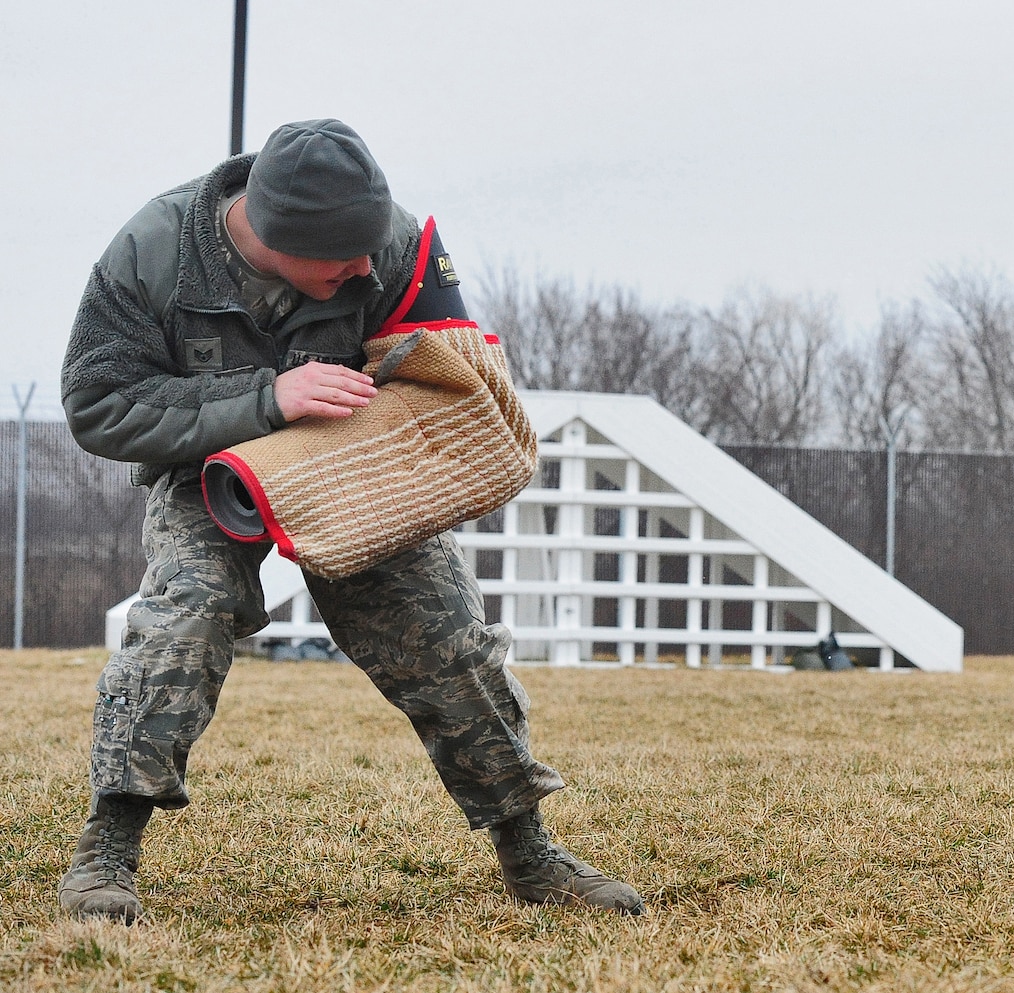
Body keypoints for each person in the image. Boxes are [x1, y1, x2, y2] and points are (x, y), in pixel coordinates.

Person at [58, 119, 644, 922]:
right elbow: (97, 403)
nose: (368, 265)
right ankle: (107, 850)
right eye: (345, 255)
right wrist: (265, 400)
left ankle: (529, 849)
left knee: (446, 632)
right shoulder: (154, 252)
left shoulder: (396, 241)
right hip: (207, 468)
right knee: (183, 615)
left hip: (355, 461)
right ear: (278, 238)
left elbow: (447, 371)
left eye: (373, 243)